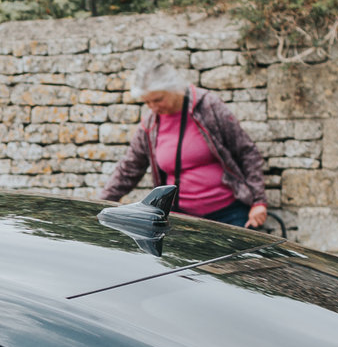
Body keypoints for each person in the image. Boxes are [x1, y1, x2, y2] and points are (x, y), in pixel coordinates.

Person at [97, 60, 270, 229]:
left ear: (174, 89)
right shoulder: (150, 125)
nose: (153, 107)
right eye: (147, 102)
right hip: (180, 218)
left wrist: (258, 201)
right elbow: (129, 169)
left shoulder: (208, 106)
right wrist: (100, 204)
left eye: (158, 100)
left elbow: (246, 151)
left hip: (229, 214)